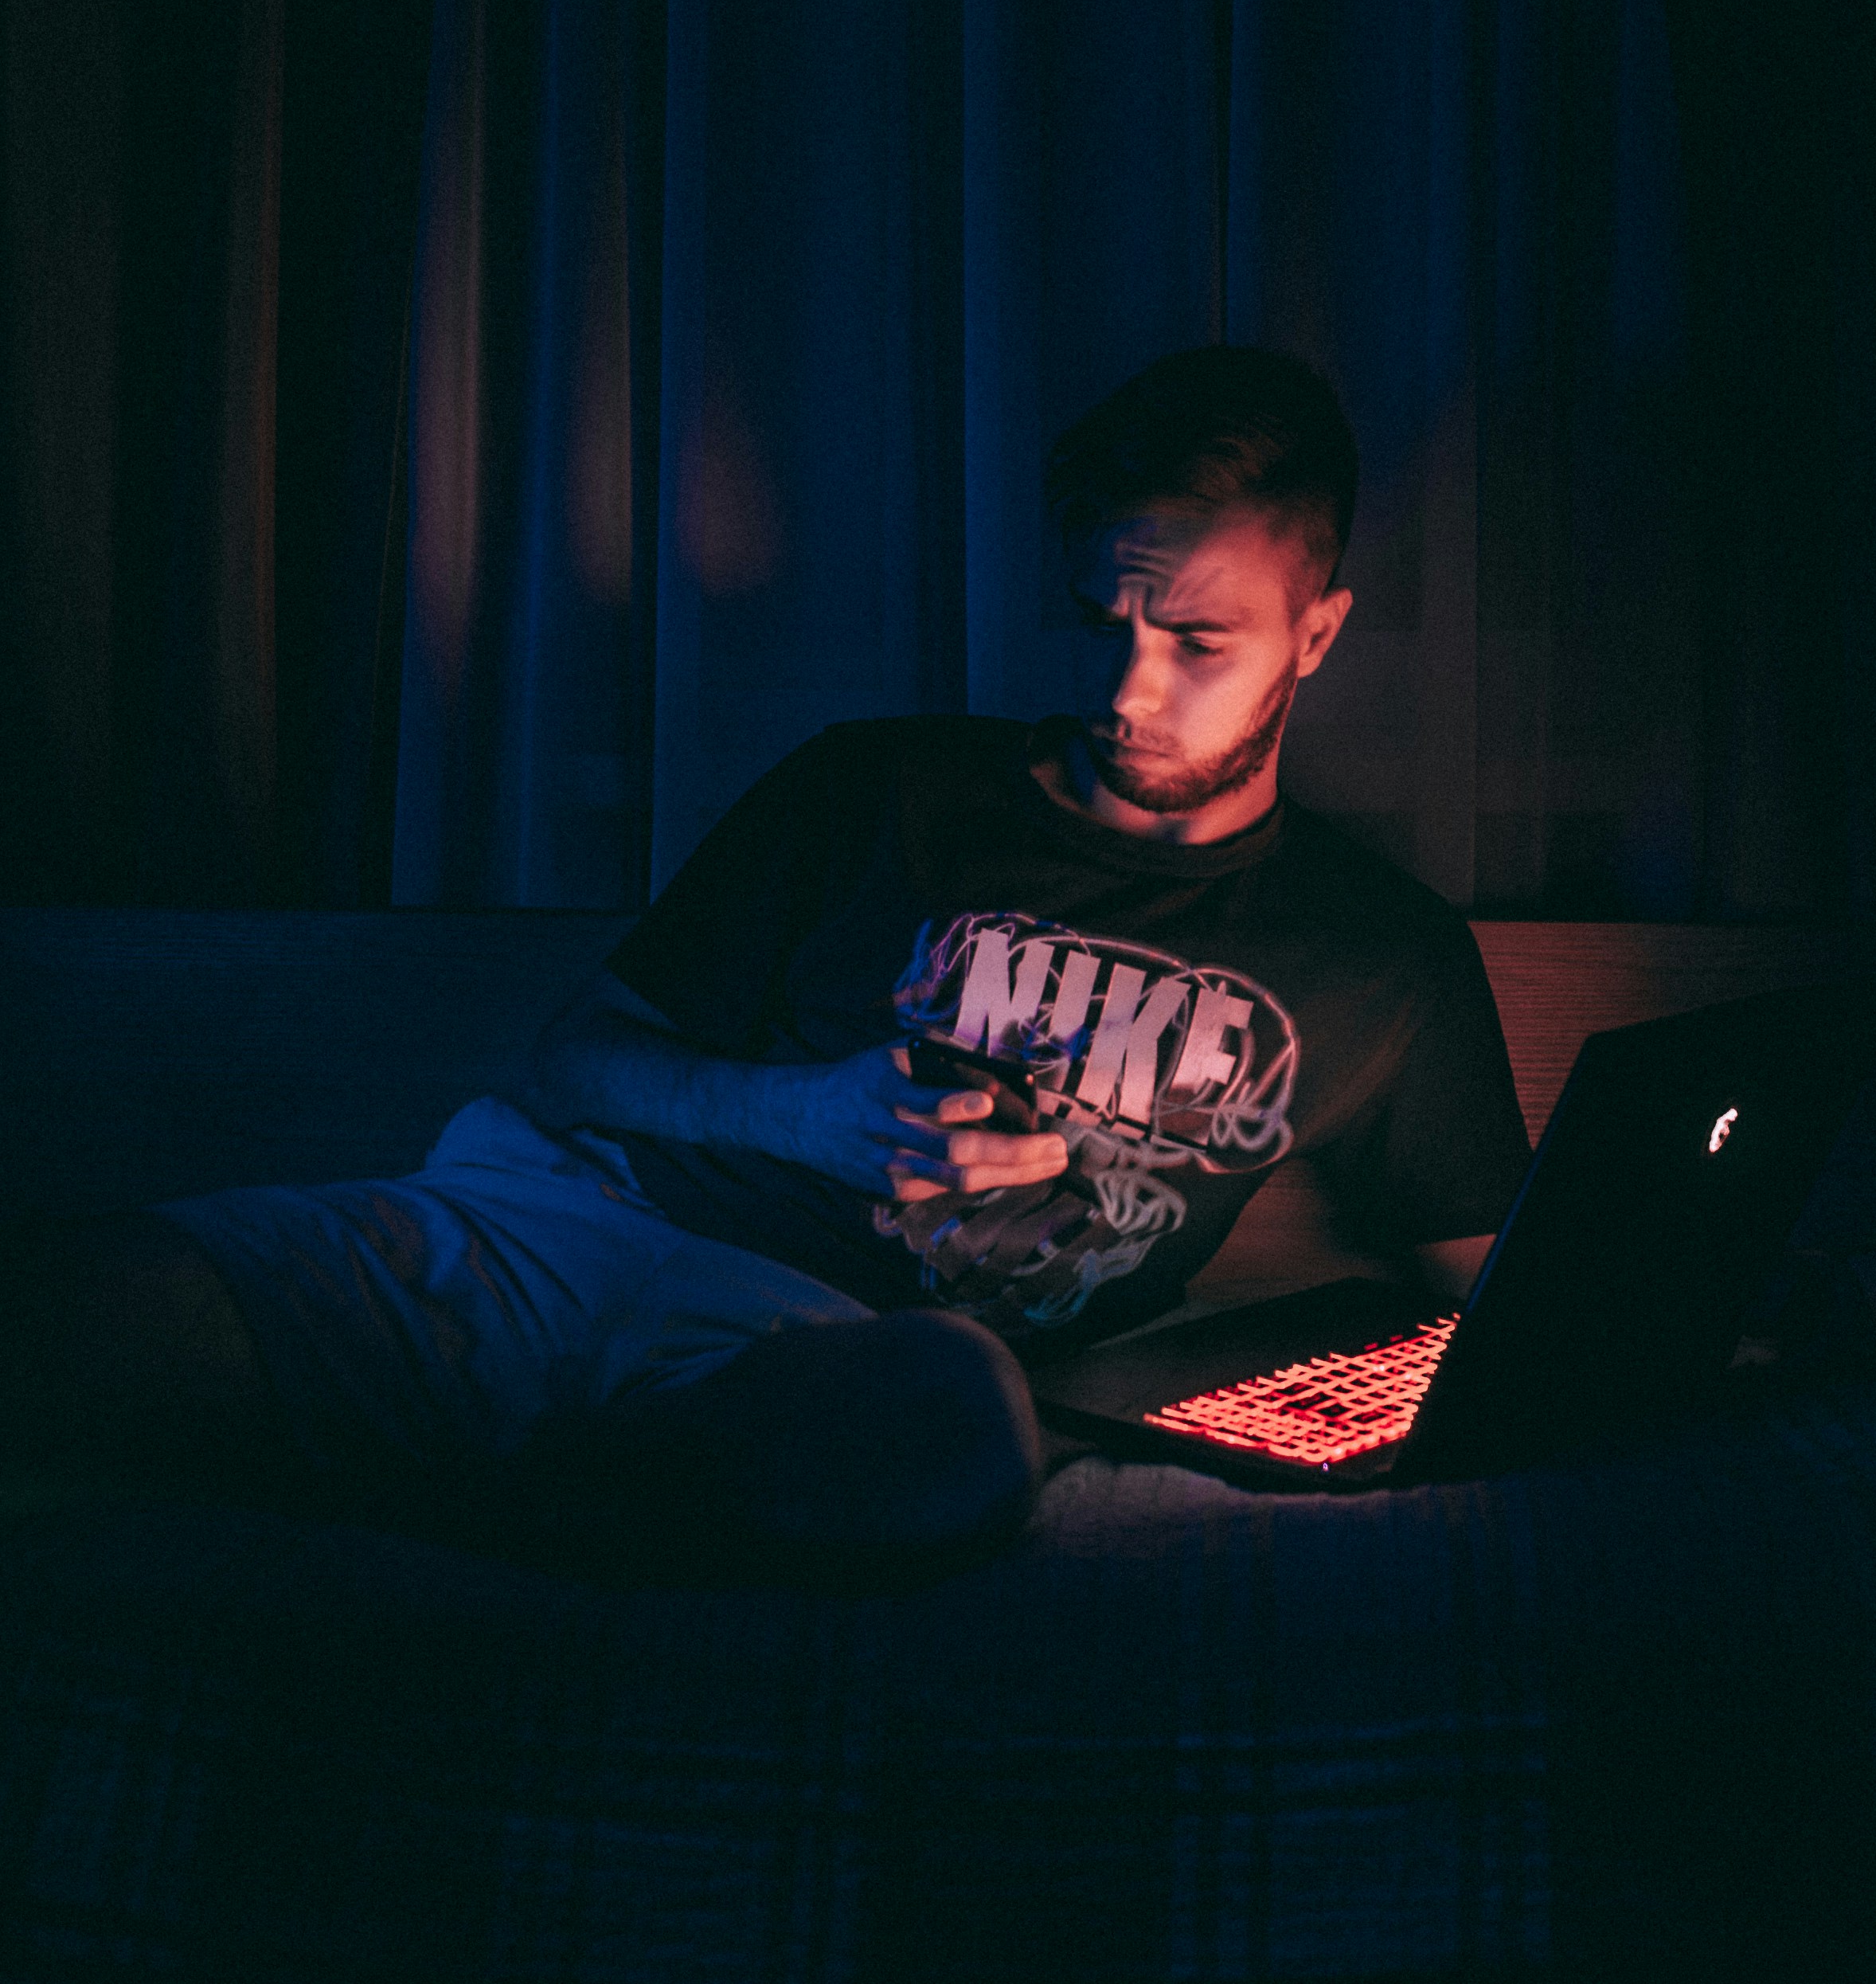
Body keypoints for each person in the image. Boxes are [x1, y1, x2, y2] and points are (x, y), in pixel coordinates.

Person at [0, 348, 1529, 1583]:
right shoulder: (885, 789)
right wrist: (808, 1114)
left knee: (963, 1428)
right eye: (1101, 619)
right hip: (561, 1230)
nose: (1128, 688)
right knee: (68, 1321)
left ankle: (428, 1506)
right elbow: (571, 1059)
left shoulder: (1379, 958)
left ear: (1316, 634)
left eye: (1199, 641)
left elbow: (1516, 1305)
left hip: (835, 1359)